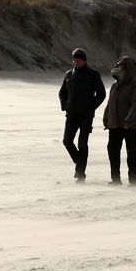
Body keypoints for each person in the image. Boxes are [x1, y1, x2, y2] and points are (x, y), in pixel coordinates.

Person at [58, 48, 106, 183]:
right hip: (71, 115)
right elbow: (62, 93)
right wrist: (65, 105)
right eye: (74, 60)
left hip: (86, 116)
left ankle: (80, 174)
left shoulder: (93, 75)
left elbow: (101, 94)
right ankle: (80, 164)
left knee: (82, 144)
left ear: (84, 61)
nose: (76, 63)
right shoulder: (69, 74)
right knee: (67, 141)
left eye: (78, 60)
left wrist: (91, 108)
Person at [103, 55, 136, 186]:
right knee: (112, 150)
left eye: (121, 67)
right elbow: (110, 104)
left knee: (132, 153)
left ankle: (134, 181)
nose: (118, 69)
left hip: (131, 126)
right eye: (118, 66)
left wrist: (129, 119)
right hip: (115, 124)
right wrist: (106, 117)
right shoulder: (114, 86)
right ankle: (115, 179)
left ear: (128, 69)